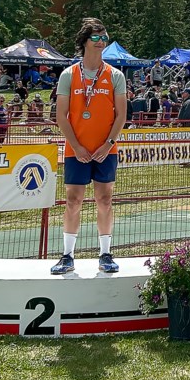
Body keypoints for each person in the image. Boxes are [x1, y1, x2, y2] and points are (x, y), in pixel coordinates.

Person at [50, 18, 128, 275]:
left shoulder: (115, 75)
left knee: (105, 200)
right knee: (73, 201)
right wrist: (76, 146)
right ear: (85, 42)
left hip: (105, 150)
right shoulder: (68, 75)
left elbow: (121, 116)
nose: (102, 41)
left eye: (104, 36)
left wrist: (108, 144)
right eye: (96, 37)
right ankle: (67, 255)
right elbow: (61, 115)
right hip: (76, 150)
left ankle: (105, 253)